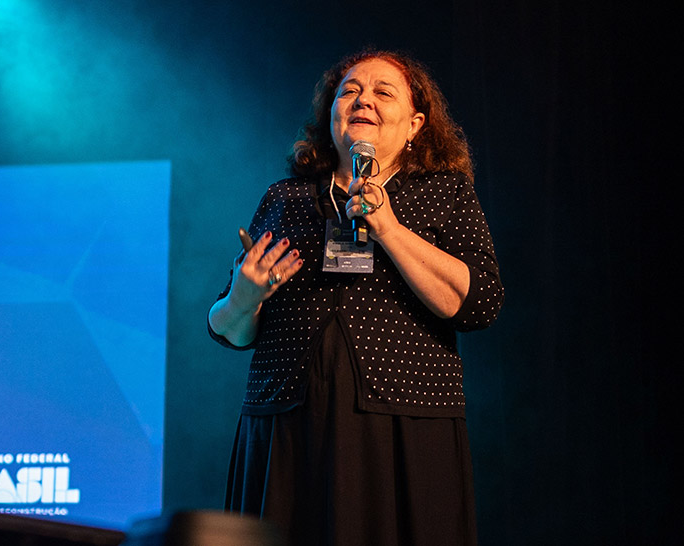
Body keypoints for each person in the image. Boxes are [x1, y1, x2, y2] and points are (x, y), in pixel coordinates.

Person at [207, 49, 504, 546]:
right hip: (287, 430)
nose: (362, 98)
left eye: (383, 92)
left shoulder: (444, 192)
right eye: (349, 90)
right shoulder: (285, 198)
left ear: (415, 125)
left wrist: (385, 226)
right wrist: (244, 296)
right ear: (330, 116)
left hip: (402, 428)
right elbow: (226, 329)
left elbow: (478, 303)